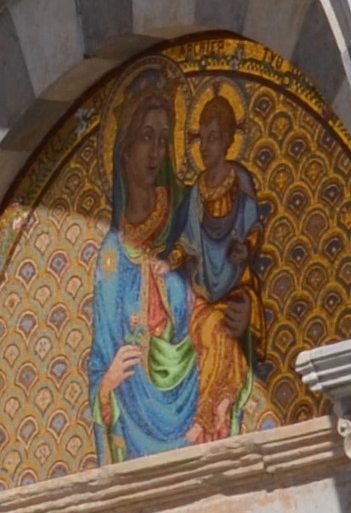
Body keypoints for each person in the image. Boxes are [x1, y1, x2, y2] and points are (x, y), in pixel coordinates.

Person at [87, 70, 202, 463]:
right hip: (135, 412)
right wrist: (107, 384)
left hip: (193, 396)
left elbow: (213, 288)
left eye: (163, 140)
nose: (156, 152)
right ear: (124, 147)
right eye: (146, 138)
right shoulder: (111, 255)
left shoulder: (186, 213)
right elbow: (102, 354)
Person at [175, 87, 270, 434]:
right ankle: (208, 411)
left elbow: (253, 227)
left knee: (223, 332)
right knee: (205, 329)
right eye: (202, 138)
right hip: (203, 287)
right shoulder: (196, 191)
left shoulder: (240, 180)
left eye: (213, 138)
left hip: (237, 284)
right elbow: (186, 240)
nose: (206, 146)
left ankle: (219, 407)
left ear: (229, 140)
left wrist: (245, 248)